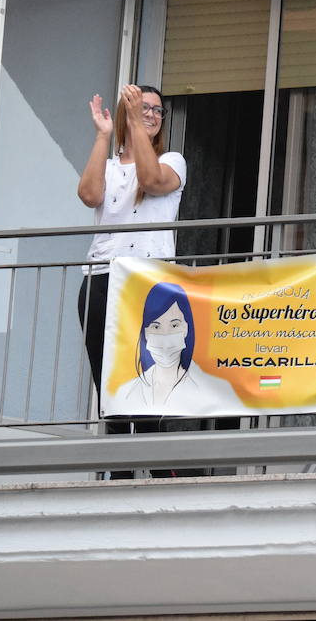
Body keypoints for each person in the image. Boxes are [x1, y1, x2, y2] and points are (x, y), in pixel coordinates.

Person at [75, 84, 186, 473]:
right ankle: (119, 475)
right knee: (112, 386)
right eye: (143, 109)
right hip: (103, 278)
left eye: (157, 111)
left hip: (148, 283)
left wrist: (135, 125)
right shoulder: (107, 166)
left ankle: (158, 473)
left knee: (152, 378)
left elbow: (152, 181)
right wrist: (104, 136)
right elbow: (89, 195)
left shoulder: (172, 160)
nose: (152, 115)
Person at [106, 281, 243, 414]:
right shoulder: (126, 392)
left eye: (174, 325)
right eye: (156, 326)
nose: (165, 335)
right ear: (146, 333)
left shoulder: (218, 390)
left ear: (186, 328)